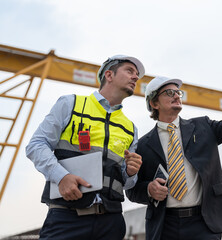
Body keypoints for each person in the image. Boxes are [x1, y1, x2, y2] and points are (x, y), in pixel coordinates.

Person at [126, 54, 222, 240]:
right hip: (164, 226)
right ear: (154, 103)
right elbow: (132, 190)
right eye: (169, 93)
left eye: (178, 92)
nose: (177, 95)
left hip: (203, 224)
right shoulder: (143, 145)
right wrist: (149, 189)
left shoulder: (203, 127)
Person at [26, 54, 145, 240]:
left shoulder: (130, 128)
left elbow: (128, 183)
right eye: (129, 71)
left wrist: (131, 172)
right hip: (67, 217)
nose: (136, 77)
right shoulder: (70, 105)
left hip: (111, 221)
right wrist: (62, 176)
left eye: (137, 74)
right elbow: (36, 145)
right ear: (109, 75)